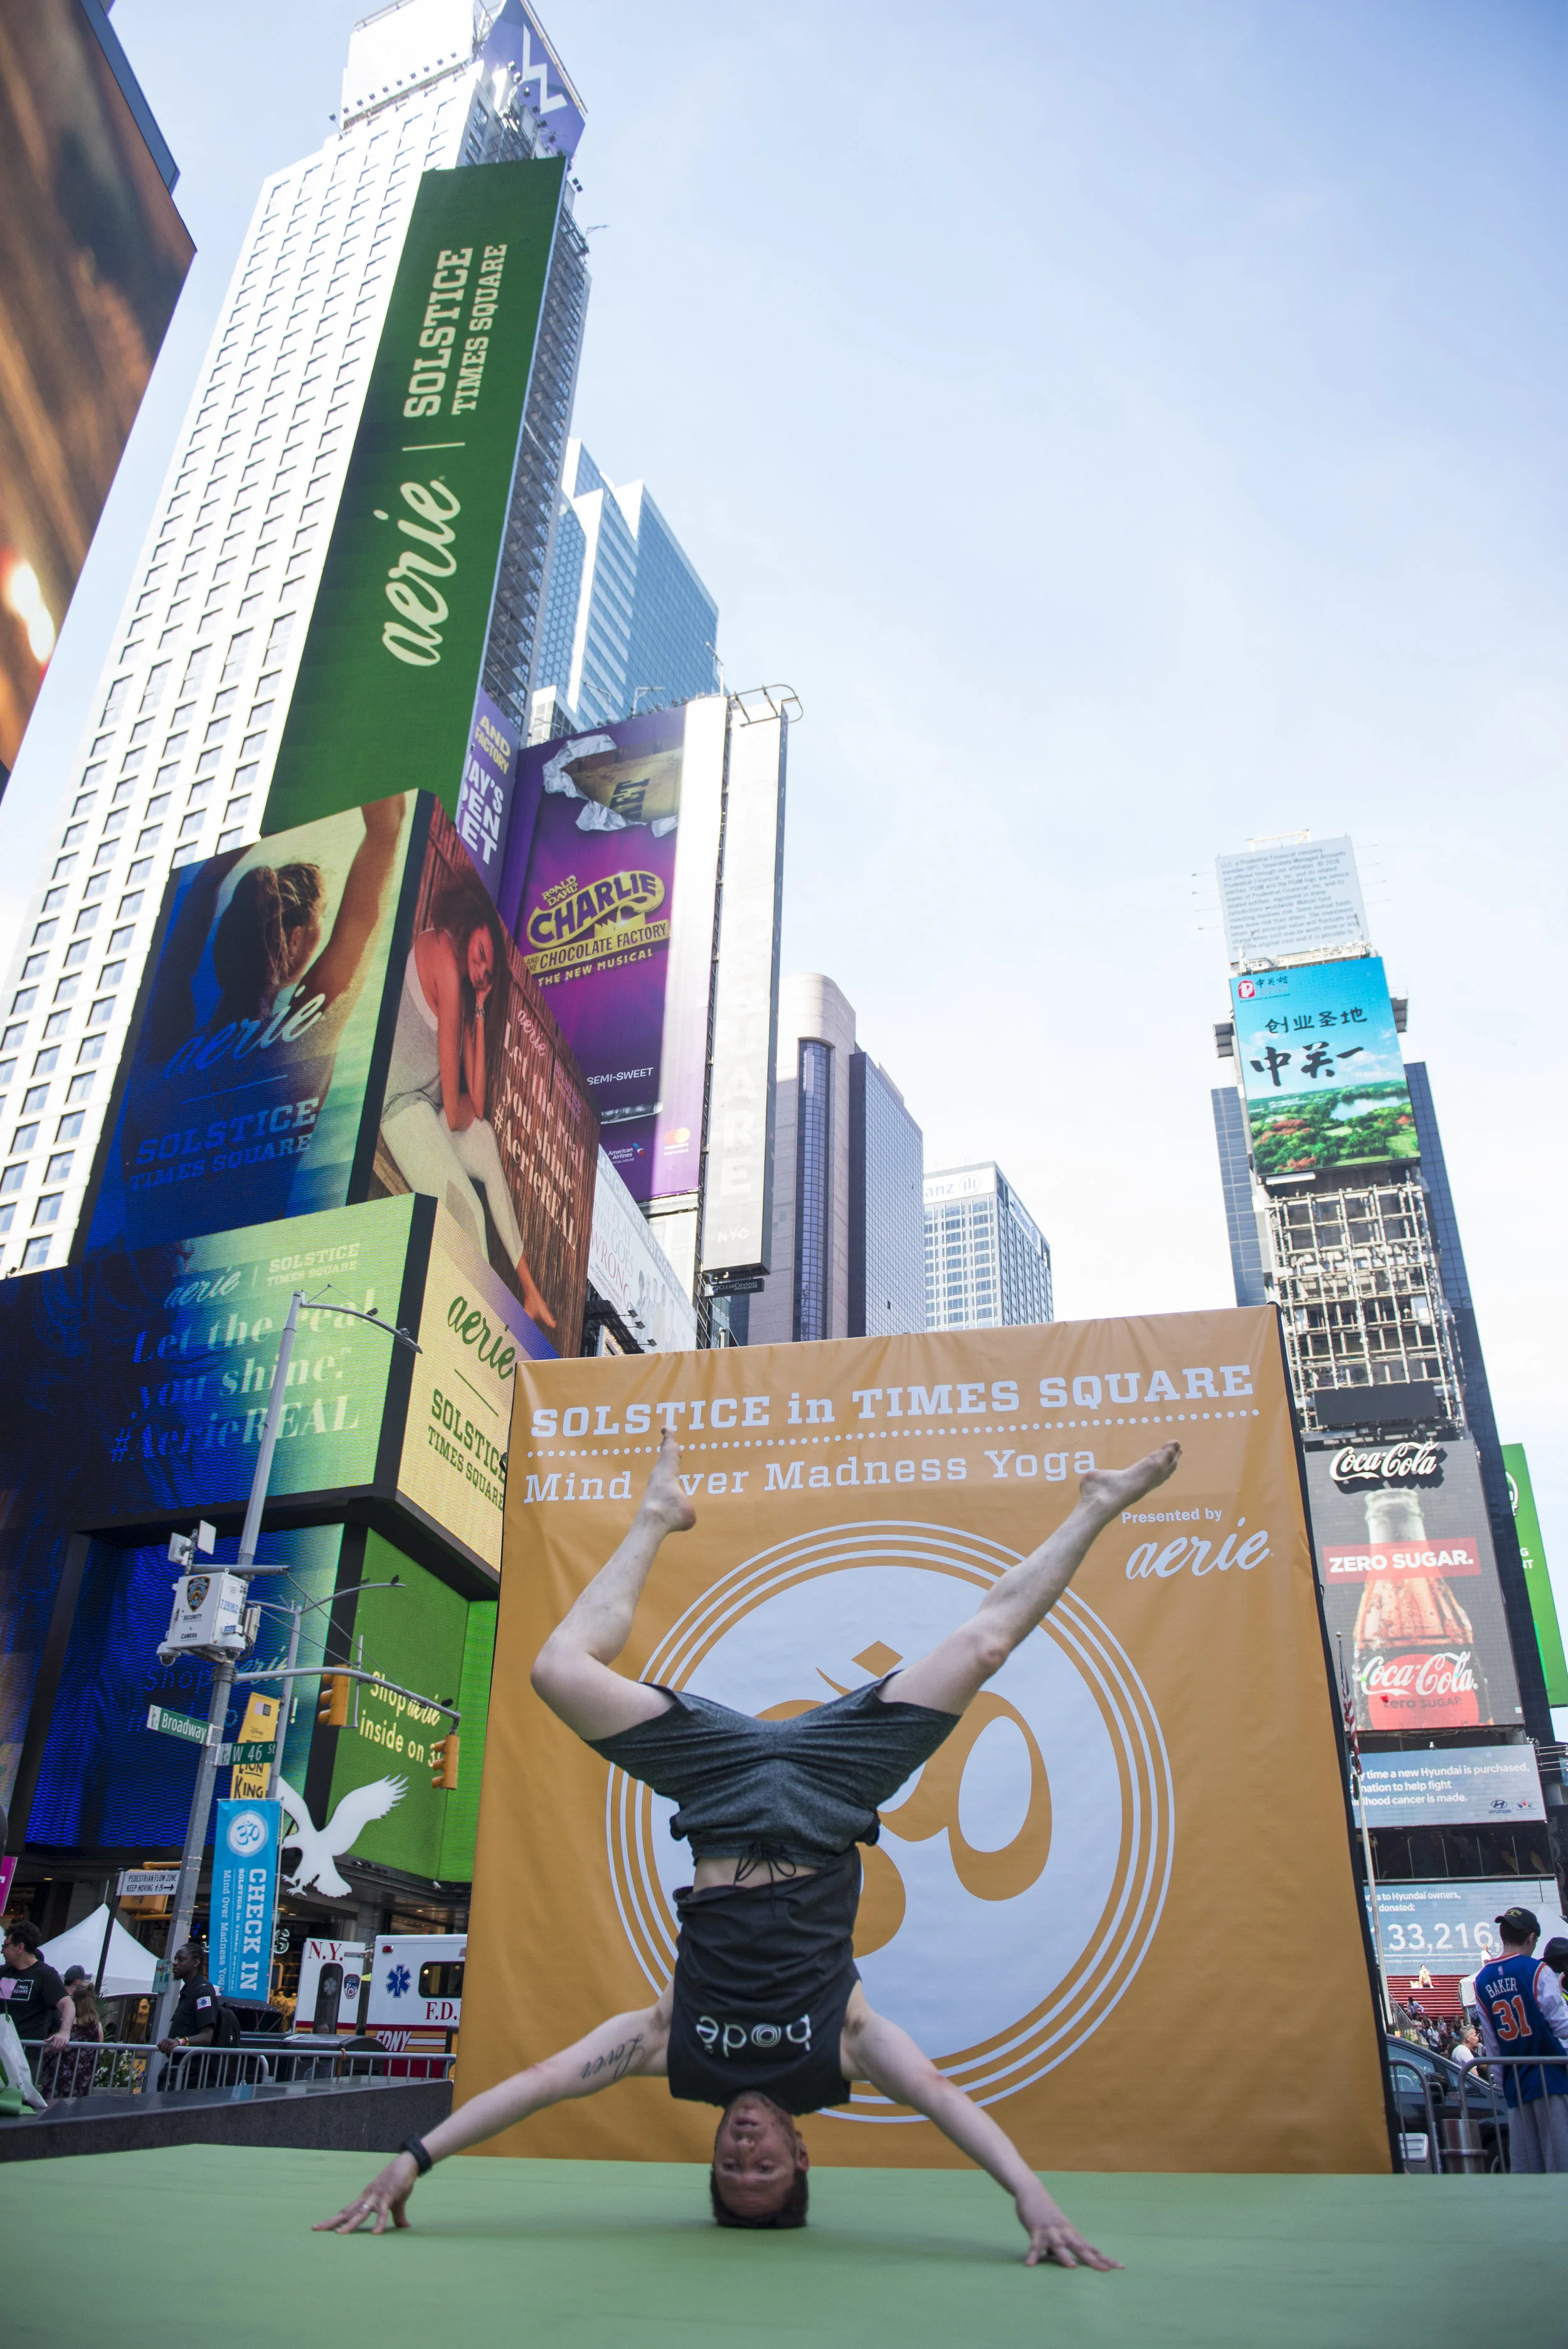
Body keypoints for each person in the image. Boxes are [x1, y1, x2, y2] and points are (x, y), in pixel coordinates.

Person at [317, 1433, 1184, 2262]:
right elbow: (945, 2100)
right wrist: (1031, 2195)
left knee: (557, 1673)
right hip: (830, 1794)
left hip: (723, 1794)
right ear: (800, 2156)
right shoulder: (842, 2051)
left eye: (730, 2169)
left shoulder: (674, 2048)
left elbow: (547, 2078)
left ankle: (657, 1514)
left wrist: (413, 2159)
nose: (744, 2151)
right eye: (763, 2167)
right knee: (983, 1643)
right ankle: (1098, 1504)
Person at [379, 871, 555, 1328]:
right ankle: (474, 1330)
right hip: (400, 1106)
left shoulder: (460, 980)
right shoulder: (440, 955)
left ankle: (528, 1287)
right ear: (466, 924)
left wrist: (481, 1004)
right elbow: (458, 1110)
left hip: (429, 1105)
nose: (480, 969)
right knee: (470, 1212)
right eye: (480, 956)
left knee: (487, 1136)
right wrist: (454, 1107)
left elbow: (475, 1106)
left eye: (487, 971)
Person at [1472, 1906, 1568, 2173]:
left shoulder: (1481, 1981)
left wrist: (1507, 2085)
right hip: (1551, 2077)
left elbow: (1492, 2045)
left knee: (1526, 2167)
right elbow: (1562, 2027)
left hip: (1516, 2080)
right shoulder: (1538, 1971)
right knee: (1560, 2163)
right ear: (1532, 1939)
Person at [0, 1920, 73, 2084]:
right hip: (2, 2051)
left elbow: (67, 2004)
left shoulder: (45, 1975)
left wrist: (64, 2032)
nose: (2, 1951)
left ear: (20, 1948)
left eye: (6, 1946)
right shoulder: (2, 1972)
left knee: (19, 2101)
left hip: (26, 2056)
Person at [157, 1943, 223, 2081]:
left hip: (192, 2074)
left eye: (181, 1960)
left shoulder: (203, 1992)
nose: (175, 1964)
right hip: (179, 2069)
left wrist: (179, 2042)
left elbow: (206, 2036)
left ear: (196, 1962)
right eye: (175, 1959)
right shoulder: (189, 1991)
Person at [40, 1972, 103, 2101]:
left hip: (59, 2074)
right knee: (75, 2113)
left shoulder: (67, 2023)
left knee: (49, 2111)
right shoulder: (98, 2026)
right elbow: (98, 2053)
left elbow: (51, 2048)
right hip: (82, 2077)